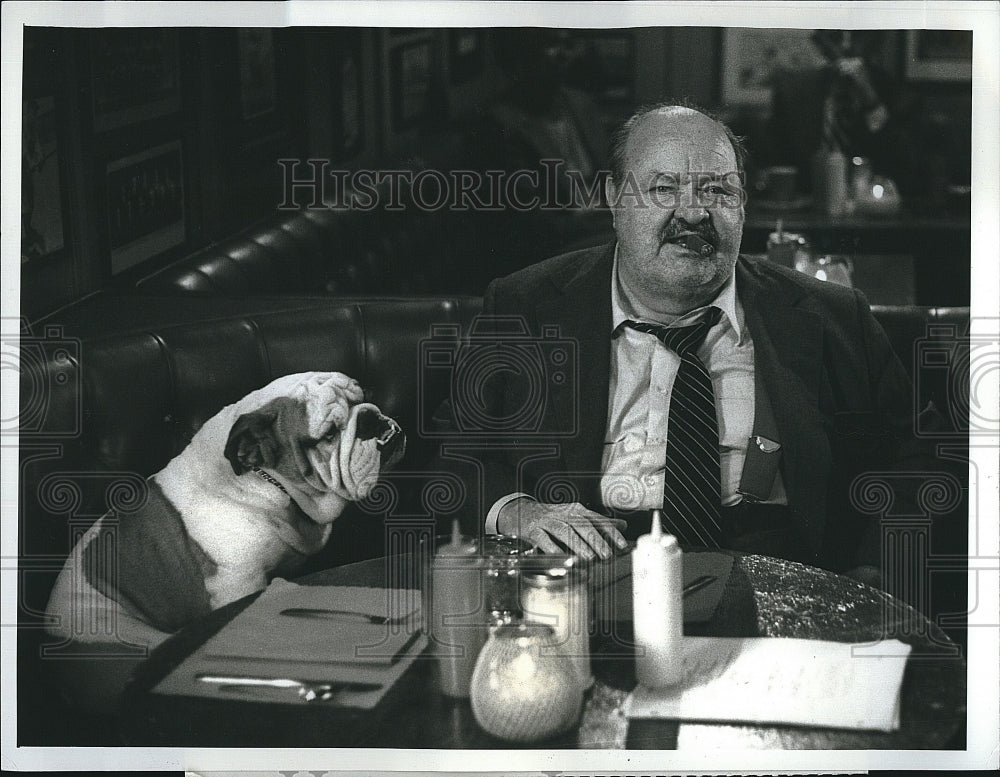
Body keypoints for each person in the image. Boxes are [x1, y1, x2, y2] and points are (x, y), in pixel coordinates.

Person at [434, 102, 942, 585]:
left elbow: (915, 459)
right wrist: (521, 511)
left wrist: (874, 574)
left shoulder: (831, 317)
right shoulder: (526, 305)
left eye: (718, 191)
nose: (693, 214)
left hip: (779, 573)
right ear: (614, 200)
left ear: (743, 205)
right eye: (662, 189)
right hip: (591, 575)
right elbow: (453, 455)